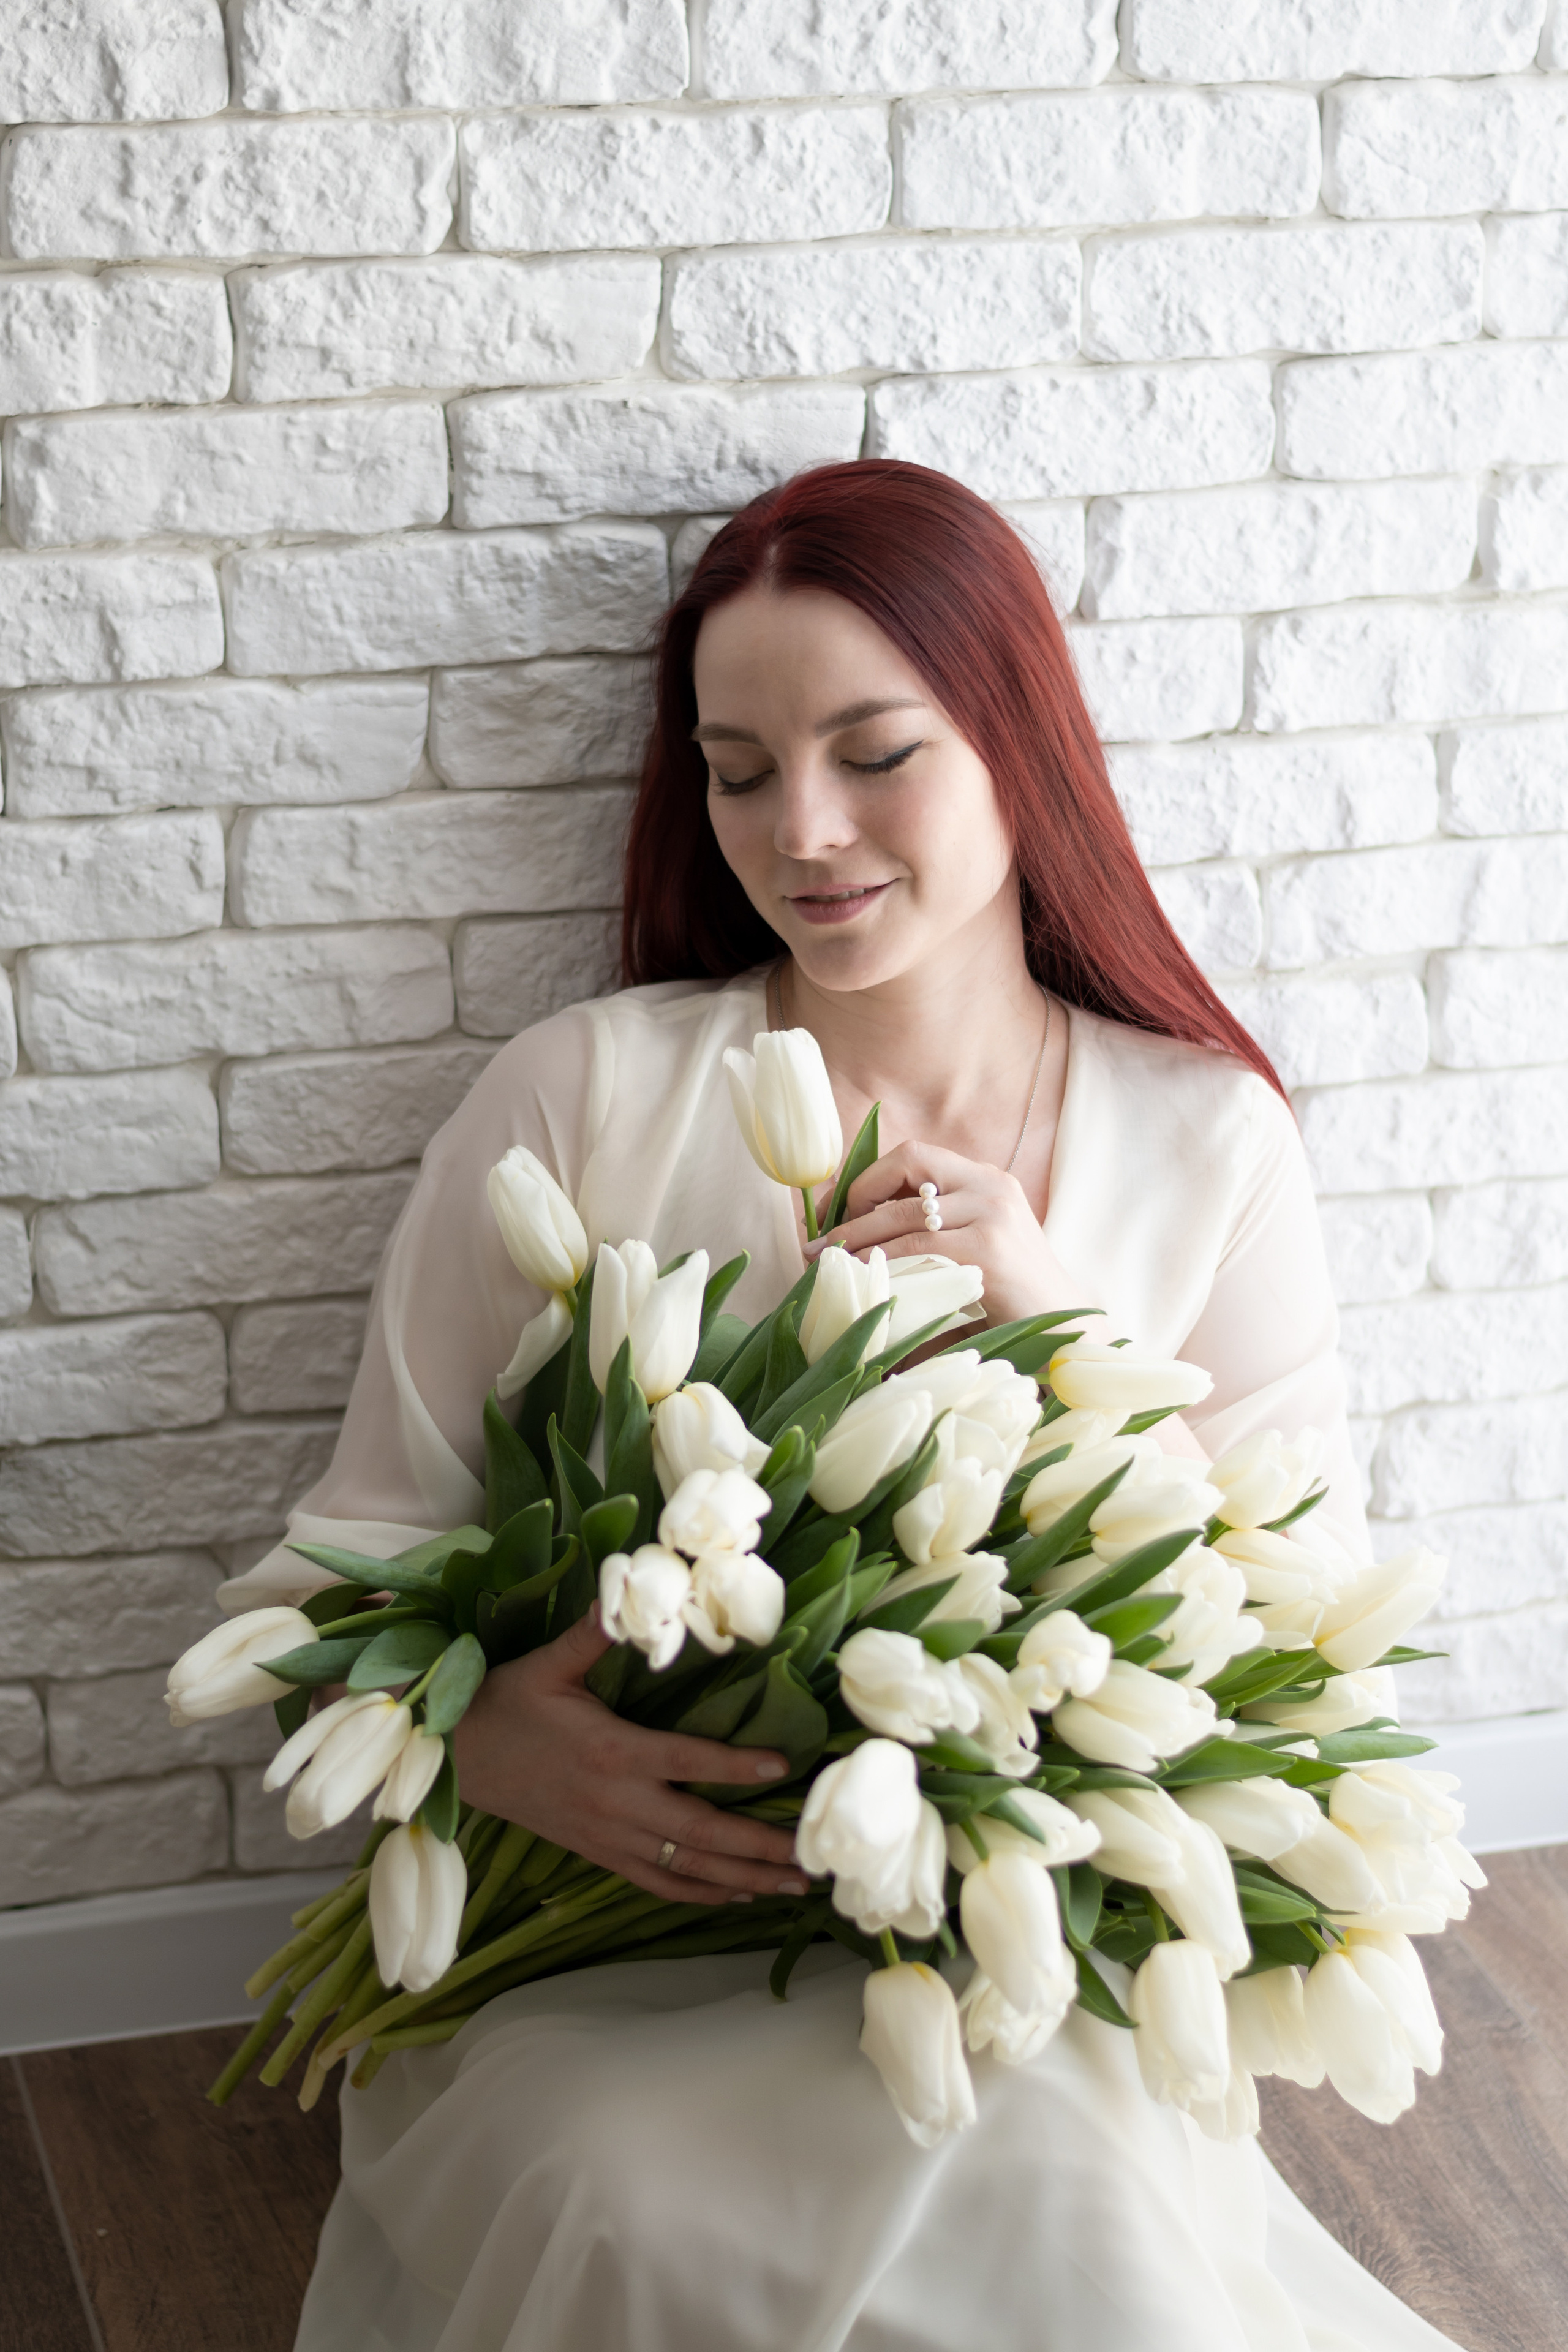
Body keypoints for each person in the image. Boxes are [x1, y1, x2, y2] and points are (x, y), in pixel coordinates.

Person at [227, 461, 1465, 2351]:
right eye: (739, 772)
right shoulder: (587, 1098)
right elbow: (342, 1578)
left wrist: (1063, 1330)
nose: (801, 832)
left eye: (875, 754)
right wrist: (485, 1746)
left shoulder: (1207, 1143)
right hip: (604, 1936)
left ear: (1018, 745)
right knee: (636, 2216)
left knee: (1074, 2222)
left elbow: (1299, 1651)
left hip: (996, 1951)